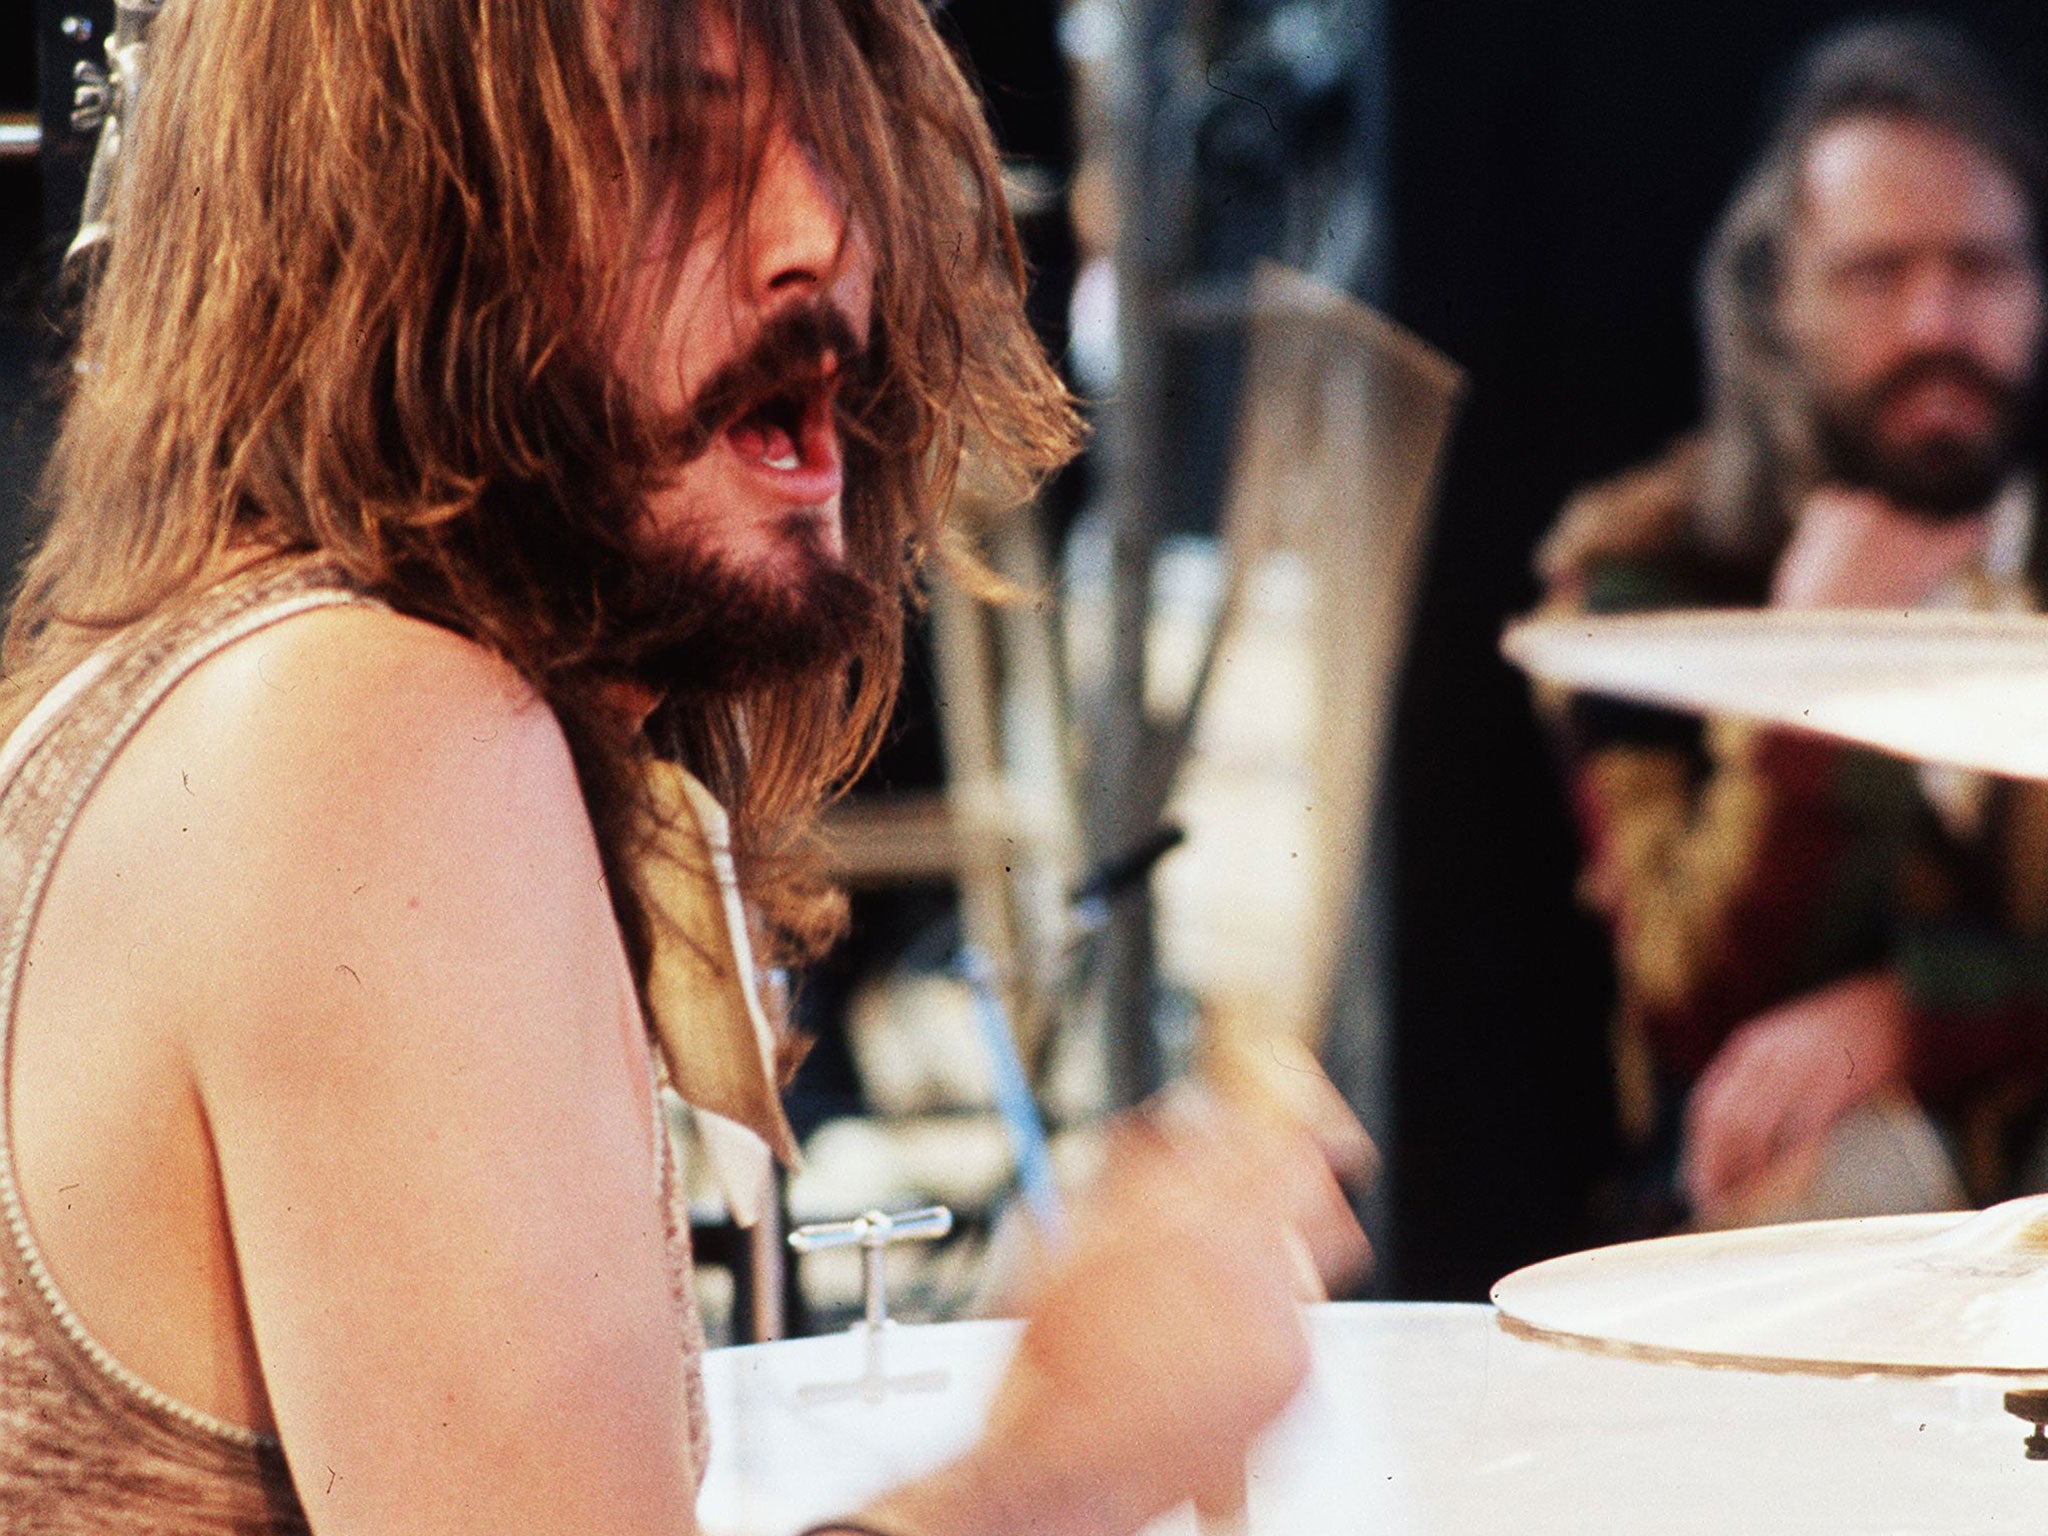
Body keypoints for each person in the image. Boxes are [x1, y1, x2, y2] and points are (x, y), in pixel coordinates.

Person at [0, 1, 1369, 1533]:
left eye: (836, 146)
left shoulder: (230, 692)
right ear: (393, 222)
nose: (820, 240)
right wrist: (1063, 1458)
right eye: (671, 147)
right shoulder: (369, 731)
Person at [1538, 20, 2048, 1232]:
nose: (1935, 321)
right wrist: (1813, 669)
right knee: (1794, 1171)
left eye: (1980, 268)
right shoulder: (1641, 577)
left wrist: (1907, 1018)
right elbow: (1691, 1002)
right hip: (1831, 1194)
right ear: (1779, 304)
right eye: (1875, 273)